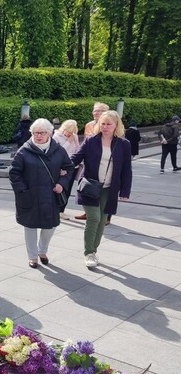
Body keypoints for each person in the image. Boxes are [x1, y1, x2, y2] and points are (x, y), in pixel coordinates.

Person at [70, 110, 132, 268]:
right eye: (102, 123)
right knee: (94, 218)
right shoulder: (91, 140)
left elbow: (126, 169)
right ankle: (89, 252)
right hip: (90, 186)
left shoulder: (124, 144)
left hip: (109, 189)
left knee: (102, 220)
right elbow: (76, 157)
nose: (105, 127)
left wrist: (125, 191)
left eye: (108, 124)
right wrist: (63, 166)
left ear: (116, 125)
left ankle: (93, 251)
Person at [10, 118, 74, 268]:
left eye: (42, 133)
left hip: (51, 196)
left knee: (50, 226)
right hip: (30, 195)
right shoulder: (24, 151)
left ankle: (42, 250)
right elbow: (14, 173)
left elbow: (69, 168)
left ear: (50, 133)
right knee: (30, 226)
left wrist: (62, 183)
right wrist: (22, 190)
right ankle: (32, 256)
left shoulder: (59, 150)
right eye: (35, 133)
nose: (38, 136)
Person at [76, 102, 110, 221]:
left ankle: (106, 217)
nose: (96, 113)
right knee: (87, 186)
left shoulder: (111, 126)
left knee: (105, 191)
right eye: (95, 110)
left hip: (105, 162)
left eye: (100, 110)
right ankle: (88, 212)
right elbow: (86, 142)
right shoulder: (89, 125)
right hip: (90, 161)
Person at [52, 120, 80, 220]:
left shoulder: (74, 136)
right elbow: (58, 152)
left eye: (72, 132)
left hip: (72, 166)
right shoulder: (56, 137)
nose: (69, 134)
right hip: (60, 166)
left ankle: (61, 210)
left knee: (68, 190)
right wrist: (68, 142)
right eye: (68, 131)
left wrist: (75, 140)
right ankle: (55, 209)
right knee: (59, 188)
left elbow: (78, 150)